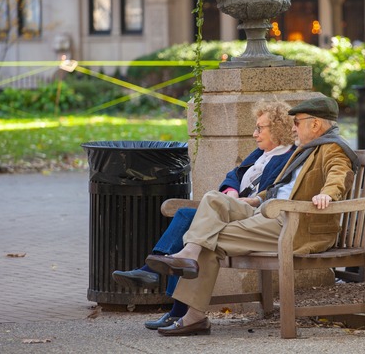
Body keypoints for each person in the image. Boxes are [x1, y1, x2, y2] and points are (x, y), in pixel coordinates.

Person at [144, 96, 360, 337]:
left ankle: (193, 313)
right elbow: (283, 186)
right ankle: (189, 255)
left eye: (297, 122)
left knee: (209, 236)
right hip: (269, 211)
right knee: (214, 198)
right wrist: (256, 199)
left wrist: (328, 195)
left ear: (316, 124)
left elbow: (339, 174)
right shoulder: (307, 149)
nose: (293, 127)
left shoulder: (334, 148)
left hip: (294, 224)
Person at [112, 100, 296, 329]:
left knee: (192, 225)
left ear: (278, 128)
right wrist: (231, 191)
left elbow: (273, 192)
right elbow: (234, 175)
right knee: (187, 217)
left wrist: (243, 199)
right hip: (233, 206)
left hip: (253, 214)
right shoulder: (260, 153)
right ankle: (173, 300)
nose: (254, 133)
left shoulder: (288, 157)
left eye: (260, 128)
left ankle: (157, 280)